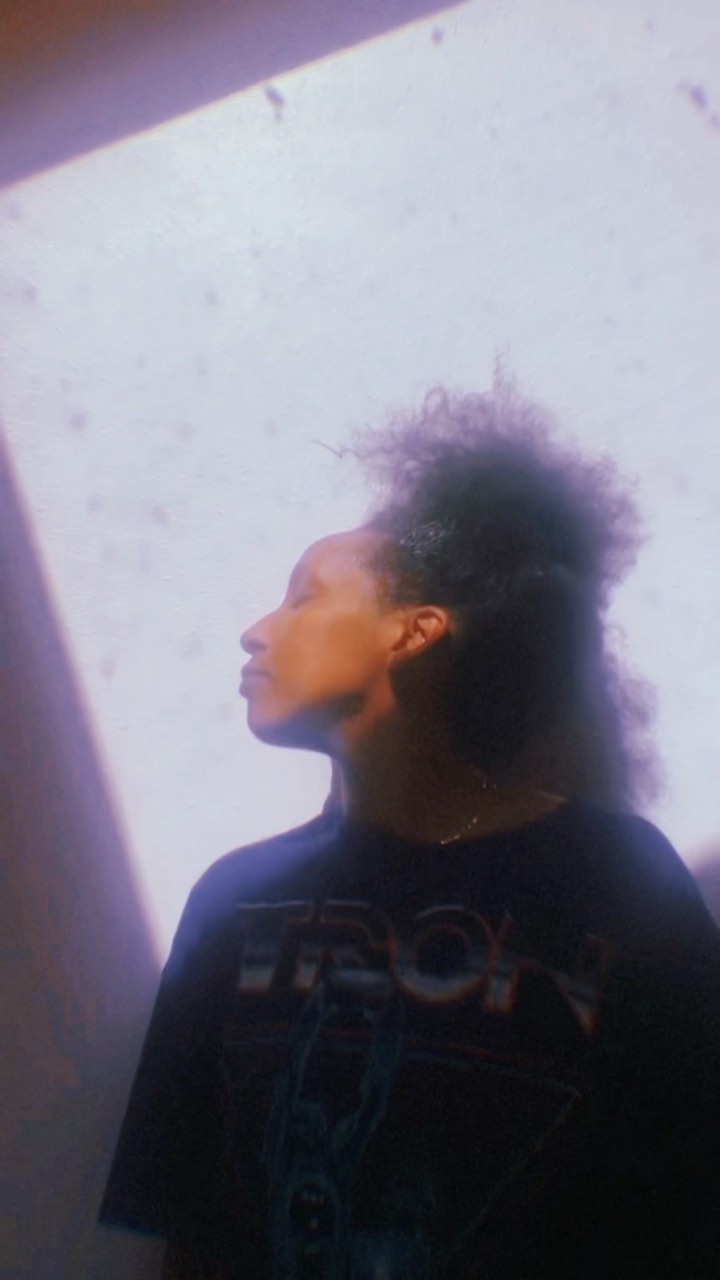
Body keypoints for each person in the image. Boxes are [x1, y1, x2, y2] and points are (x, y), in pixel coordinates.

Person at [98, 379, 720, 1278]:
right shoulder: (235, 900)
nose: (254, 631)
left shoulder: (621, 885)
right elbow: (185, 1228)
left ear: (414, 632)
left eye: (303, 596)